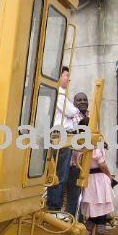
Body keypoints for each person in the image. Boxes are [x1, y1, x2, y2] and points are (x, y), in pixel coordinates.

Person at [47, 66, 82, 211]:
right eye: (66, 75)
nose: (68, 79)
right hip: (60, 136)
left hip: (62, 135)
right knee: (59, 174)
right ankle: (54, 207)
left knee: (61, 174)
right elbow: (71, 111)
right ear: (59, 76)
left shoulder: (59, 94)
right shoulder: (58, 93)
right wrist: (75, 110)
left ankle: (56, 206)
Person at [81, 143, 115, 235]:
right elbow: (102, 164)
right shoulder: (95, 145)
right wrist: (109, 175)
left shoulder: (80, 146)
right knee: (100, 218)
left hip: (89, 181)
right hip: (99, 182)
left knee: (93, 217)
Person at [67, 92, 89, 219]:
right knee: (74, 197)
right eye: (79, 100)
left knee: (87, 197)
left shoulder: (92, 116)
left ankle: (83, 222)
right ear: (74, 103)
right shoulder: (73, 118)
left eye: (85, 99)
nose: (82, 102)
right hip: (75, 164)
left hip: (89, 163)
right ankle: (72, 224)